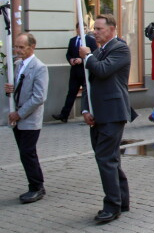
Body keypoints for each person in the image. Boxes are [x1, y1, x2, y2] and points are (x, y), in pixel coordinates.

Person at [79, 14, 134, 224]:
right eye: (94, 28)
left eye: (99, 28)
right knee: (110, 159)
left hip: (113, 113)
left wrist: (88, 57)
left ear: (112, 29)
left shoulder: (120, 48)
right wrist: (85, 109)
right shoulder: (98, 51)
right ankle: (122, 200)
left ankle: (112, 206)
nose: (95, 32)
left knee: (105, 159)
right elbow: (88, 83)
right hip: (98, 113)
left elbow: (102, 71)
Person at [4, 33, 48, 204]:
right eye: (16, 46)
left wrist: (19, 114)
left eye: (21, 47)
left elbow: (39, 97)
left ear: (32, 47)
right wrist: (10, 89)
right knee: (25, 154)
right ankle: (34, 185)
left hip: (29, 119)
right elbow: (18, 88)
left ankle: (37, 187)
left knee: (28, 153)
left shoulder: (39, 67)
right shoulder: (17, 65)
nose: (17, 50)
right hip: (18, 118)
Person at [53, 24, 97, 123]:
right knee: (71, 93)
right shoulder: (72, 40)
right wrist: (71, 60)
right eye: (80, 28)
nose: (82, 30)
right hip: (75, 72)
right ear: (77, 29)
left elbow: (95, 53)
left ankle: (89, 113)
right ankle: (64, 115)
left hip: (86, 71)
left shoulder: (90, 40)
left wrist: (82, 60)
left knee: (87, 93)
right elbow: (68, 53)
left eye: (85, 28)